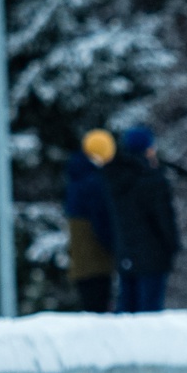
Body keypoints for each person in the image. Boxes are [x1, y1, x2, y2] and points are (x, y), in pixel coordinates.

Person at [102, 125, 180, 313]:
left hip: (126, 253)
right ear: (148, 149)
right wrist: (172, 246)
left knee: (127, 310)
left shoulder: (114, 177)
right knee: (149, 312)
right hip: (153, 255)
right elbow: (164, 219)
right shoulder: (153, 180)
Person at [63, 129, 117, 313]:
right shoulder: (95, 182)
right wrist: (114, 246)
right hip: (96, 259)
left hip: (80, 260)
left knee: (89, 305)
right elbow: (100, 221)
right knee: (99, 309)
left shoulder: (76, 175)